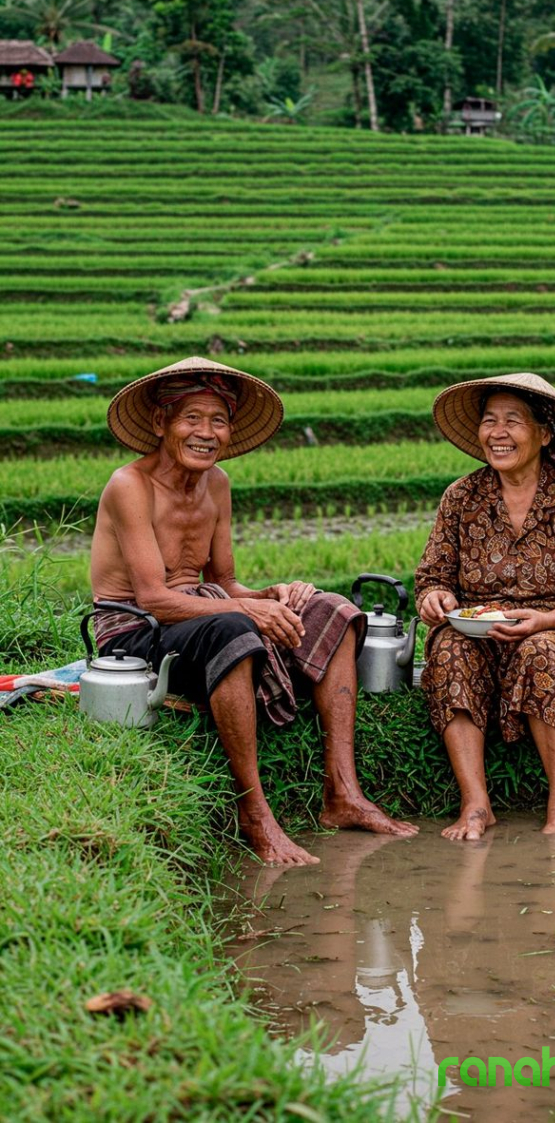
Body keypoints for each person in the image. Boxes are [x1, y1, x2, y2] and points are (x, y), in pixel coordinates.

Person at [90, 355, 417, 865]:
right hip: (134, 629)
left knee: (331, 607)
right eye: (191, 419)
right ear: (161, 424)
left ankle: (343, 792)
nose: (206, 432)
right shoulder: (129, 486)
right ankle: (255, 813)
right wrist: (248, 612)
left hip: (201, 613)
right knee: (234, 625)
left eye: (217, 421)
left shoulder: (216, 484)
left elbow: (223, 582)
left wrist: (273, 595)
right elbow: (152, 597)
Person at [414, 372, 555, 841]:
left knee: (539, 650)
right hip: (477, 635)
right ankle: (476, 805)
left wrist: (543, 620)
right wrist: (436, 600)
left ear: (545, 434)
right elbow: (434, 577)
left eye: (513, 421)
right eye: (489, 421)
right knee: (446, 649)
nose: (497, 433)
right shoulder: (461, 498)